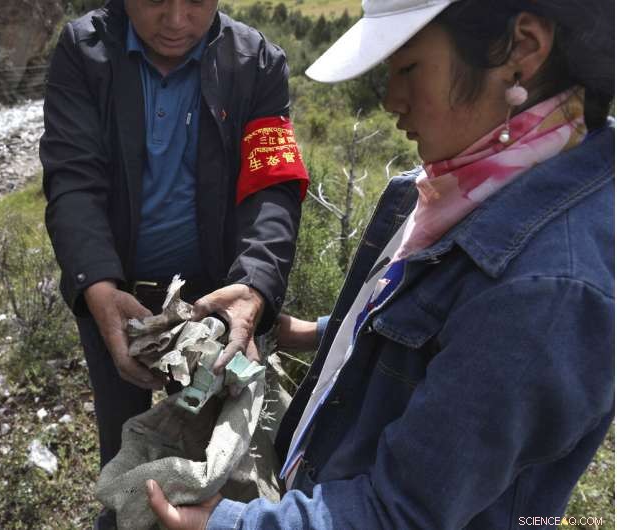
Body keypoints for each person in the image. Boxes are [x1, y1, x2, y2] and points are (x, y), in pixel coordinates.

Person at [145, 0, 615, 528]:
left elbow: (397, 514)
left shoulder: (545, 292)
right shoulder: (473, 183)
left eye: (409, 68)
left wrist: (226, 524)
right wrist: (315, 332)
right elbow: (450, 338)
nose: (391, 99)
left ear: (521, 48)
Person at [40, 0, 309, 524]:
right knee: (123, 441)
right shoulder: (84, 51)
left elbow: (271, 189)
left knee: (215, 453)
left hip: (215, 303)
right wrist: (96, 286)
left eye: (195, 0)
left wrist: (253, 286)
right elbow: (73, 179)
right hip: (114, 304)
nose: (176, 20)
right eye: (155, 0)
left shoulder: (256, 63)